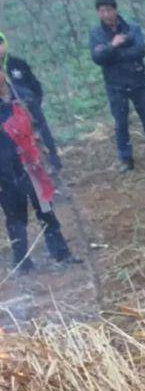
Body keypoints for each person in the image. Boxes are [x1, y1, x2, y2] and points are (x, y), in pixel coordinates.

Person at [0, 68, 81, 274]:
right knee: (15, 216)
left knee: (46, 209)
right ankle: (22, 262)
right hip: (7, 171)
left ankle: (61, 253)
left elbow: (41, 128)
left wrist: (51, 157)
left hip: (33, 164)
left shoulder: (23, 96)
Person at [88, 0, 145, 171]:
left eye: (109, 10)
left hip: (137, 81)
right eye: (102, 11)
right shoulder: (96, 33)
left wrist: (112, 53)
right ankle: (126, 159)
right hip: (115, 85)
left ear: (115, 10)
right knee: (121, 123)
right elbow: (97, 57)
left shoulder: (132, 28)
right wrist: (113, 46)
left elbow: (140, 50)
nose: (106, 14)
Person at [0, 32, 61, 172]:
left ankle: (53, 166)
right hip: (9, 119)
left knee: (42, 137)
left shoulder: (17, 63)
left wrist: (32, 103)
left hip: (29, 109)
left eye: (1, 43)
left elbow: (34, 85)